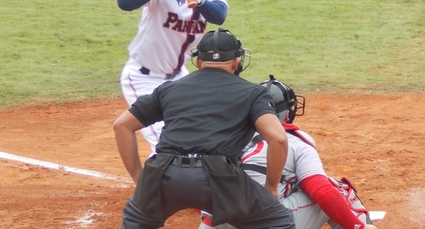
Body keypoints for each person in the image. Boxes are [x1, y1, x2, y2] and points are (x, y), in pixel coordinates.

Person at [113, 29, 296, 229]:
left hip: (164, 174)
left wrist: (141, 181)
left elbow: (122, 125)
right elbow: (278, 138)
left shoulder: (169, 88)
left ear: (198, 62)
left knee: (134, 221)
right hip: (219, 179)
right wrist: (270, 188)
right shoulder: (253, 93)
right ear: (236, 62)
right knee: (279, 221)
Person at [203, 76, 378, 229]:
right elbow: (321, 191)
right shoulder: (295, 141)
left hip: (219, 221)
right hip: (265, 223)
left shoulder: (227, 135)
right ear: (287, 113)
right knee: (335, 190)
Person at [118, 0, 236, 152]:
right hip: (144, 77)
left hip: (180, 77)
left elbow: (218, 15)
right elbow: (124, 1)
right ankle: (151, 185)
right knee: (167, 144)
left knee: (202, 130)